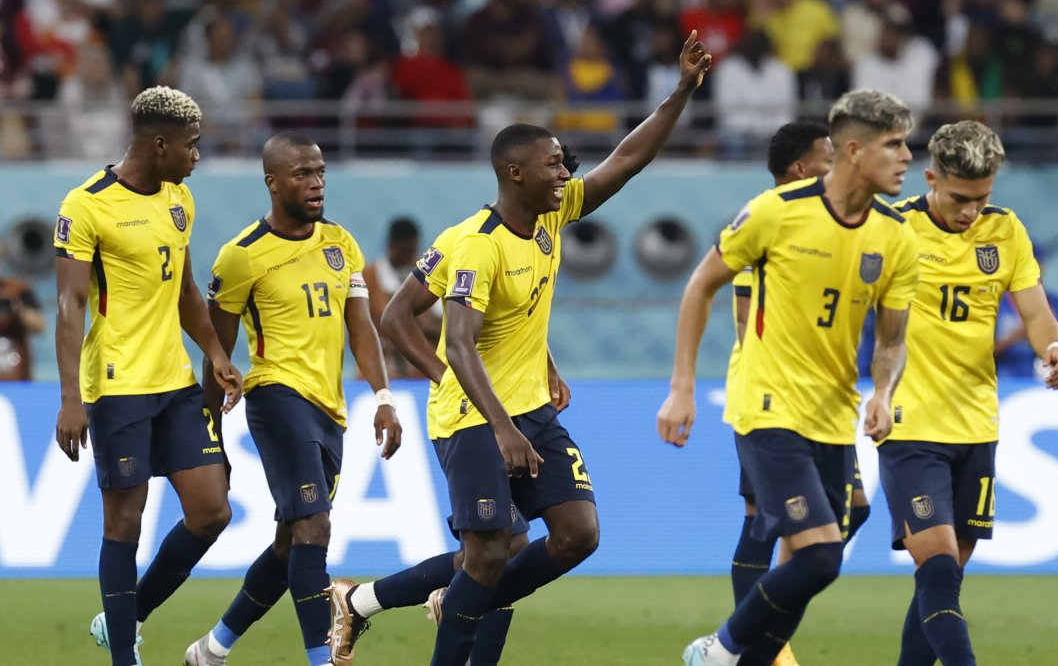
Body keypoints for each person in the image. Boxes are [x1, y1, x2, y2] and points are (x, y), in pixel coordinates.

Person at [326, 32, 712, 666]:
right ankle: (440, 610)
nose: (566, 173)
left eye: (564, 164)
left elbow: (626, 160)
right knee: (487, 554)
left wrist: (680, 92)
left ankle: (401, 600)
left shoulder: (550, 219)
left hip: (528, 409)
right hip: (480, 421)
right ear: (515, 173)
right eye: (555, 164)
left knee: (576, 534)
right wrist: (474, 405)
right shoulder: (477, 244)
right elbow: (427, 330)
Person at [657, 89, 920, 666]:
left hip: (832, 418)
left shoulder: (897, 236)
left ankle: (744, 659)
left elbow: (893, 338)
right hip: (767, 408)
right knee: (820, 555)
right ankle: (719, 650)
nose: (907, 157)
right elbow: (700, 285)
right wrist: (682, 387)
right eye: (894, 144)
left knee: (818, 557)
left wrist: (883, 392)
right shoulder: (776, 212)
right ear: (853, 150)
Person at [180, 132, 403, 666]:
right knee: (314, 526)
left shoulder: (341, 244)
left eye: (320, 171)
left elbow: (361, 327)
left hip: (329, 410)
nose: (316, 182)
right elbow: (218, 350)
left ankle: (211, 650)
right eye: (303, 173)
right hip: (276, 395)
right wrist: (208, 437)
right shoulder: (241, 256)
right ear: (273, 182)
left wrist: (384, 395)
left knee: (289, 545)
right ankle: (322, 660)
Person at [53, 86, 243, 666]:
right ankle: (124, 656)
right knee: (125, 520)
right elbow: (69, 305)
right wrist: (70, 399)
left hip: (175, 381)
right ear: (158, 143)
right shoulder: (85, 206)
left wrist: (213, 351)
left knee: (212, 509)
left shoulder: (180, 199)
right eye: (190, 145)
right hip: (116, 385)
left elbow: (185, 292)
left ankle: (124, 617)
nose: (196, 156)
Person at [883, 121, 1058, 666]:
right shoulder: (893, 228)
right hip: (909, 423)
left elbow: (1033, 311)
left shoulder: (1004, 230)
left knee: (941, 582)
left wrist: (1052, 348)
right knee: (938, 567)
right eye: (960, 198)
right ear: (930, 178)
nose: (971, 211)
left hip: (976, 425)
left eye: (982, 198)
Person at [724, 120, 839, 666]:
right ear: (800, 168)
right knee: (761, 519)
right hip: (771, 398)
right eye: (828, 158)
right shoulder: (767, 218)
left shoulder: (830, 221)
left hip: (822, 401)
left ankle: (754, 640)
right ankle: (755, 649)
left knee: (839, 517)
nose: (836, 167)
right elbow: (747, 322)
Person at [362, 217, 438, 378]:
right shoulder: (370, 277)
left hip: (422, 367)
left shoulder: (425, 274)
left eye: (414, 250)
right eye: (406, 251)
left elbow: (436, 322)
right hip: (382, 362)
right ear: (392, 246)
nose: (410, 257)